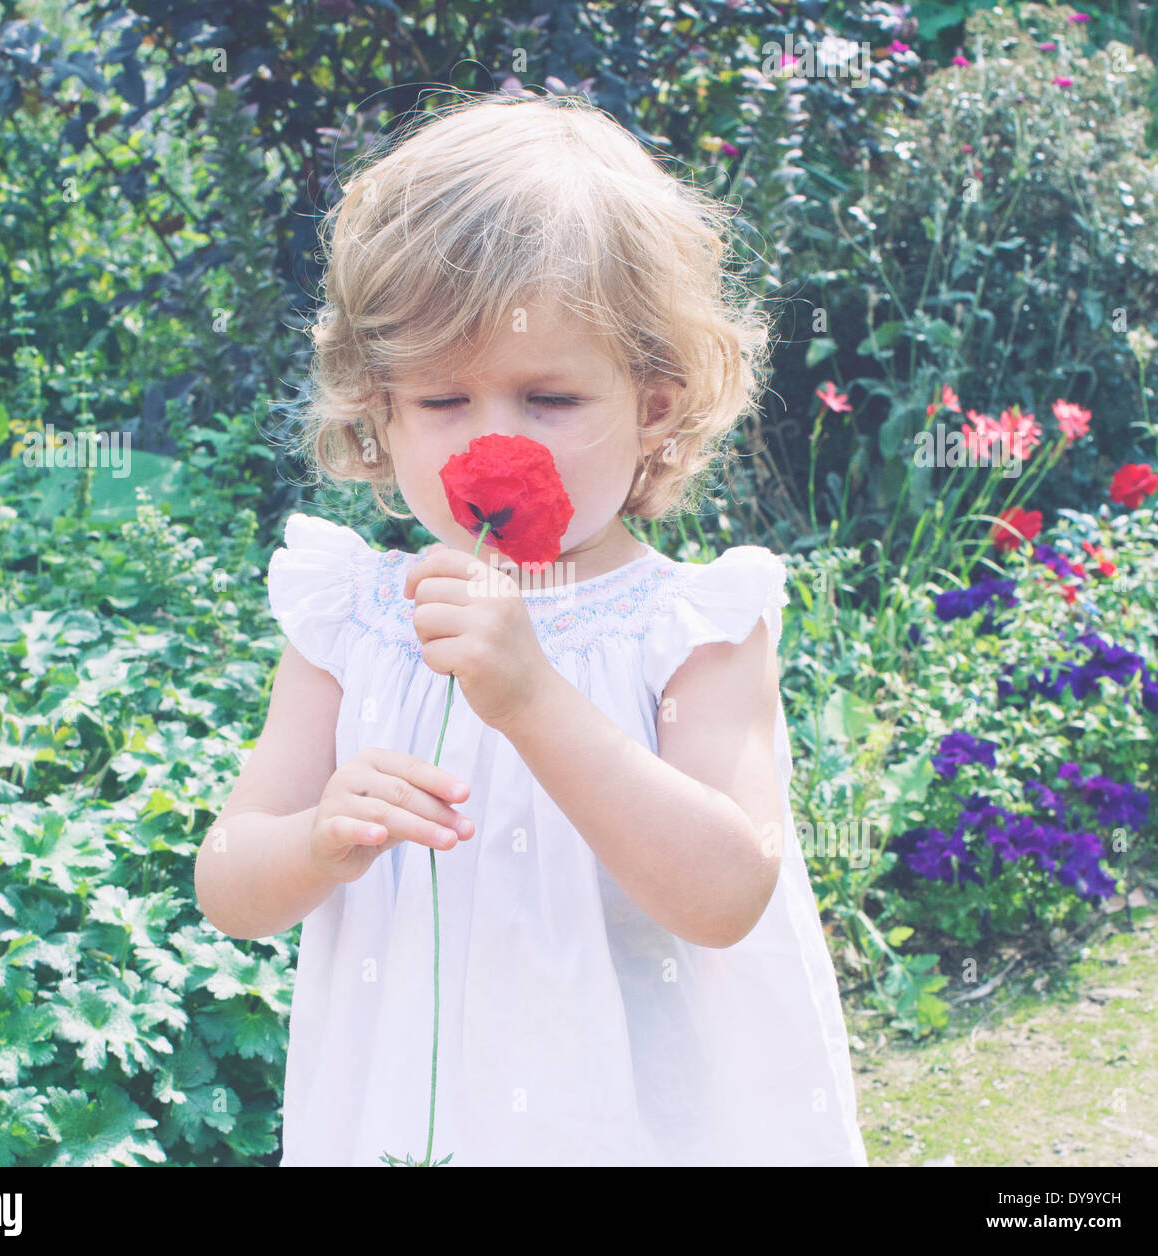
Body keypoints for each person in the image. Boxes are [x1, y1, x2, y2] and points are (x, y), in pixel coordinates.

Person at [194, 90, 868, 1167]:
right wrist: (317, 836)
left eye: (548, 398)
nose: (491, 443)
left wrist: (534, 699)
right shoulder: (355, 619)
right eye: (441, 402)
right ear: (378, 407)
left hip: (626, 1122)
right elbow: (229, 881)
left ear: (653, 404)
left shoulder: (692, 627)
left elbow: (728, 890)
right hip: (405, 1120)